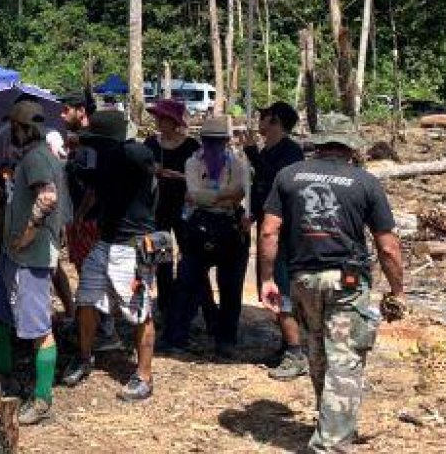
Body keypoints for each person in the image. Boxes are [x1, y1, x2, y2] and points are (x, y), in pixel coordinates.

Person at [259, 115, 406, 453]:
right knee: (345, 359)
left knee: (317, 352)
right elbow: (388, 247)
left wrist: (267, 279)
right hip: (346, 282)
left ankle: (331, 425)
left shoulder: (289, 175)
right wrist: (397, 290)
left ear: (320, 143)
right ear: (350, 146)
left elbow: (268, 231)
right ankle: (331, 445)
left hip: (303, 279)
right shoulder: (365, 182)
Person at [0, 100, 69, 425]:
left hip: (30, 257)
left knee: (39, 330)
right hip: (14, 256)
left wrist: (28, 232)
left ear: (21, 128)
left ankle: (43, 399)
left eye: (13, 128)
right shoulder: (35, 156)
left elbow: (48, 197)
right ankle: (6, 376)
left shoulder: (37, 158)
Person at [63, 110, 158, 401]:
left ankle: (144, 376)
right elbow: (93, 185)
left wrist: (103, 144)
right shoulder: (103, 159)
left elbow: (142, 160)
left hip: (132, 246)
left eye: (96, 139)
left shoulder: (134, 155)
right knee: (86, 300)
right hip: (105, 243)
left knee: (140, 311)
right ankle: (84, 357)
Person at [164, 116, 252, 359]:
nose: (214, 145)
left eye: (218, 141)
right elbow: (193, 194)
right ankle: (176, 337)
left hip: (230, 226)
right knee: (186, 283)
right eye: (209, 141)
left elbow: (240, 192)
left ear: (226, 141)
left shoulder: (238, 164)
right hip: (199, 225)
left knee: (231, 288)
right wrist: (223, 196)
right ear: (202, 140)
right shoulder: (193, 162)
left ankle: (226, 339)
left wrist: (211, 196)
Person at [245, 101, 308, 379]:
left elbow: (277, 181)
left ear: (275, 121)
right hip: (265, 223)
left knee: (281, 286)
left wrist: (251, 154)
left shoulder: (291, 153)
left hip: (283, 230)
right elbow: (261, 188)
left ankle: (296, 351)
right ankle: (287, 342)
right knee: (268, 285)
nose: (259, 121)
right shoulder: (268, 150)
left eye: (264, 117)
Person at [143, 98, 201, 322]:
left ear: (173, 121)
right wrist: (152, 171)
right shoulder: (151, 143)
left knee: (188, 254)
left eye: (162, 118)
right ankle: (165, 304)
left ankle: (187, 302)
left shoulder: (191, 146)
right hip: (158, 207)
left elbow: (203, 176)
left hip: (186, 207)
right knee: (161, 256)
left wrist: (178, 176)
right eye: (157, 117)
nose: (158, 121)